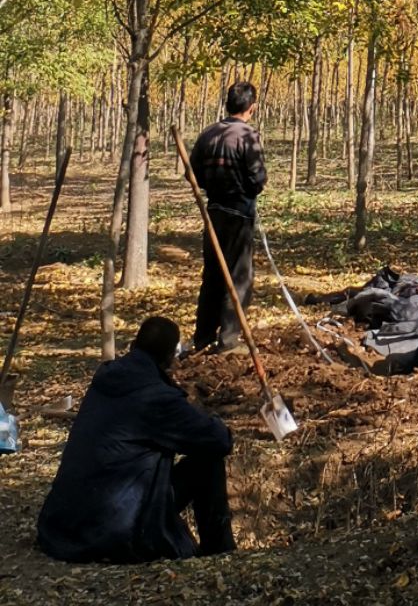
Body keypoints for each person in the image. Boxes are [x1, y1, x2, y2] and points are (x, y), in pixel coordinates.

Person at [37, 316, 234, 563]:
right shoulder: (155, 397)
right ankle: (221, 555)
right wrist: (208, 416)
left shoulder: (108, 378)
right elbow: (219, 440)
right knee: (209, 461)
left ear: (133, 345)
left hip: (64, 525)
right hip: (113, 529)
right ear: (169, 359)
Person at [190, 79, 267, 352]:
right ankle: (229, 340)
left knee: (212, 276)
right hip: (238, 216)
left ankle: (202, 337)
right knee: (239, 277)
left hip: (213, 214)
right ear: (252, 108)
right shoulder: (247, 136)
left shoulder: (207, 134)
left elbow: (194, 173)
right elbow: (258, 178)